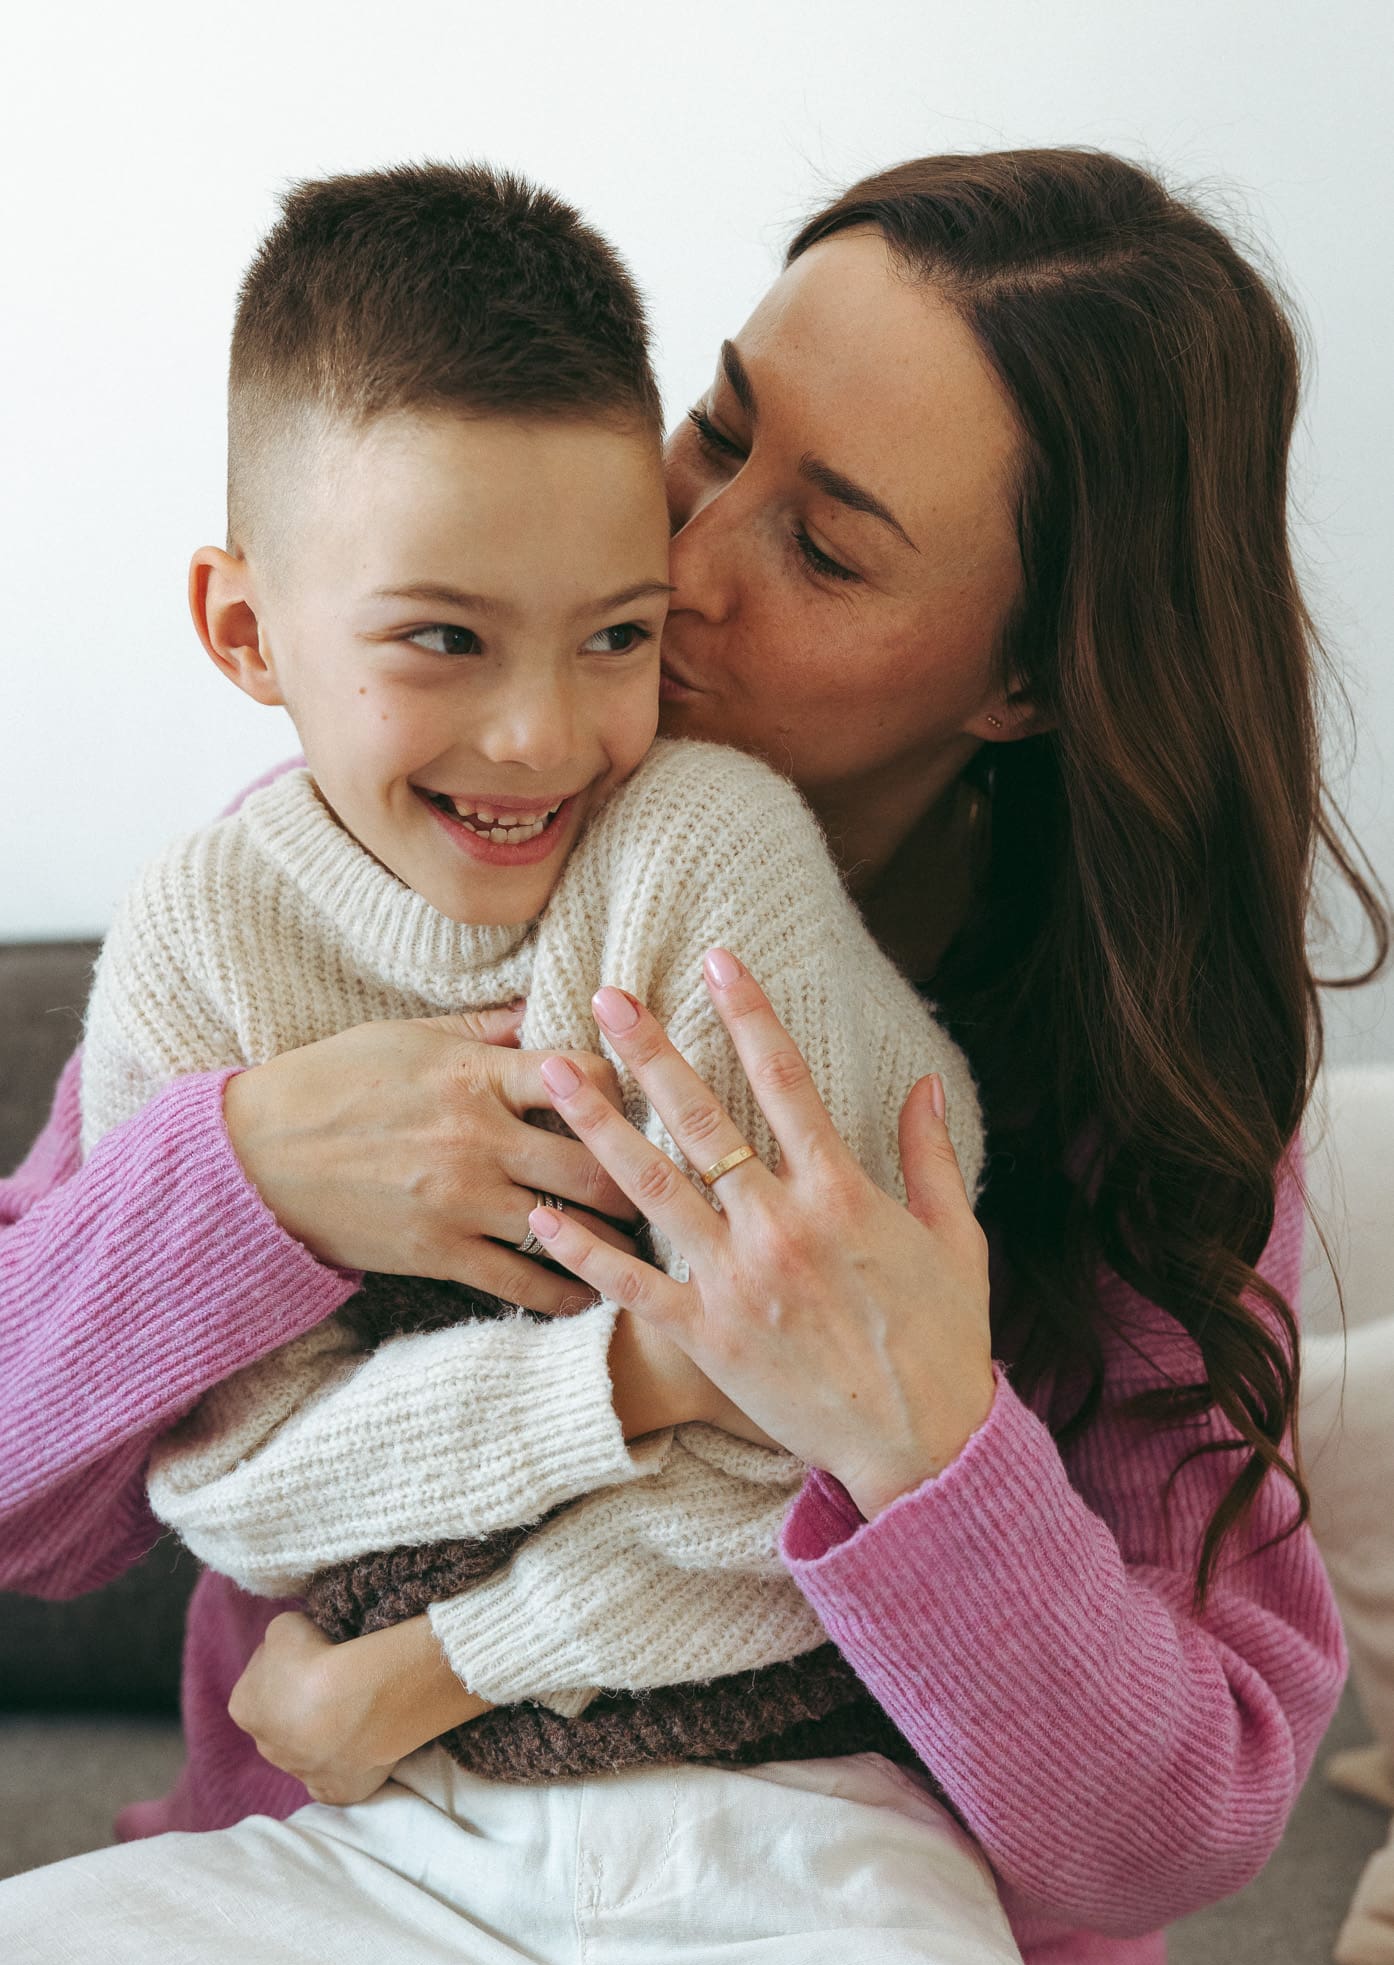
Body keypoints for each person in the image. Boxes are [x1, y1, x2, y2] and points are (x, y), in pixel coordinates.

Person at [0, 146, 1385, 1965]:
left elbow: (1179, 1818)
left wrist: (919, 1441)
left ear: (1024, 679)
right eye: (713, 432)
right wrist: (238, 1184)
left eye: (822, 546)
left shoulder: (1140, 1065)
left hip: (851, 1926)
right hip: (351, 1873)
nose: (684, 561)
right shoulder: (329, 873)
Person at [78, 163, 986, 1742]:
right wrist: (636, 1377)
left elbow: (814, 1464)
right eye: (443, 637)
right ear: (244, 633)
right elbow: (222, 1488)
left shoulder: (704, 852)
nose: (539, 738)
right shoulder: (197, 936)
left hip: (776, 1803)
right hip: (370, 1833)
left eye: (613, 636)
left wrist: (432, 1665)